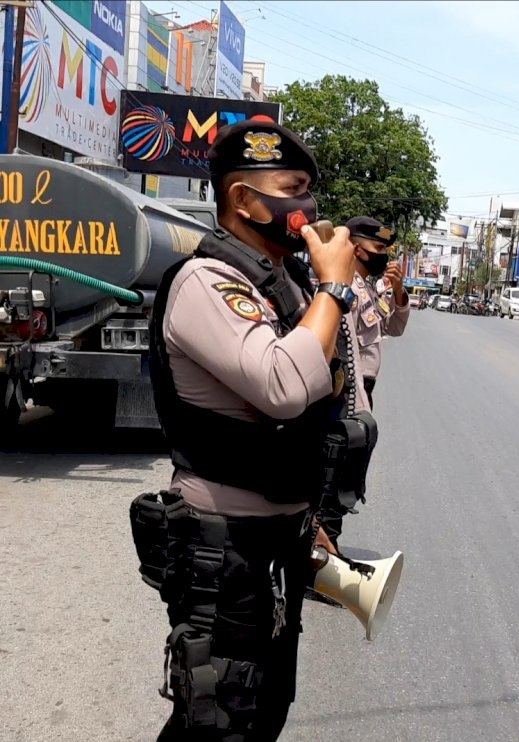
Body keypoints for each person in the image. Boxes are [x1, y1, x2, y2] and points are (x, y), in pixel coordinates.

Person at [132, 117, 375, 741]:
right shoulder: (207, 283)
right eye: (292, 188)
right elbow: (285, 387)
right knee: (219, 718)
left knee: (267, 706)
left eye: (309, 190)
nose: (307, 206)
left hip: (278, 535)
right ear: (243, 199)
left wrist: (312, 509)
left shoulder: (280, 286)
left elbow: (338, 388)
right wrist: (334, 288)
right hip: (225, 544)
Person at [345, 216, 410, 409]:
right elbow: (344, 352)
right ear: (357, 250)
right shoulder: (349, 290)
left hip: (362, 391)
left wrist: (398, 289)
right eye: (378, 248)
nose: (384, 256)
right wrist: (359, 407)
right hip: (351, 393)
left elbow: (395, 327)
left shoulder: (367, 289)